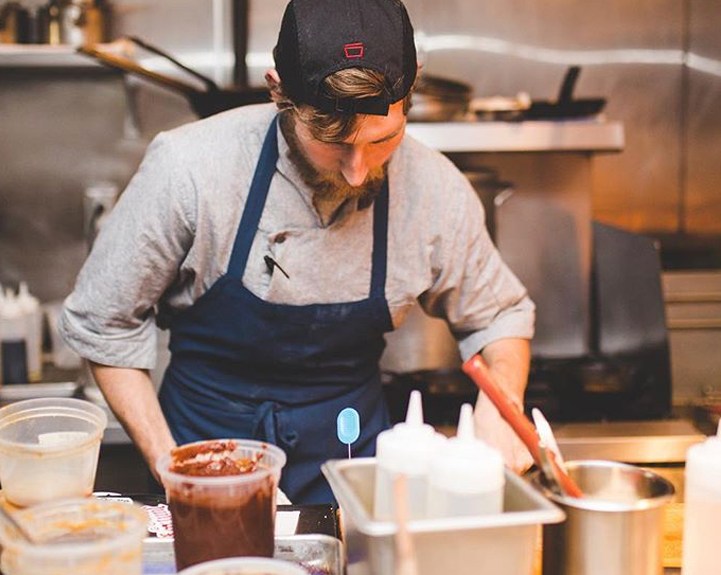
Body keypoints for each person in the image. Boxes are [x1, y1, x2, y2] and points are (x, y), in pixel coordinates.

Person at [60, 0, 535, 504]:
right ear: (279, 92)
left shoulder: (435, 190)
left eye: (383, 140)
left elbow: (499, 315)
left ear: (413, 84)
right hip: (207, 457)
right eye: (333, 142)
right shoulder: (192, 168)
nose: (358, 170)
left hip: (356, 474)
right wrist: (172, 468)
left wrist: (501, 404)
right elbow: (103, 320)